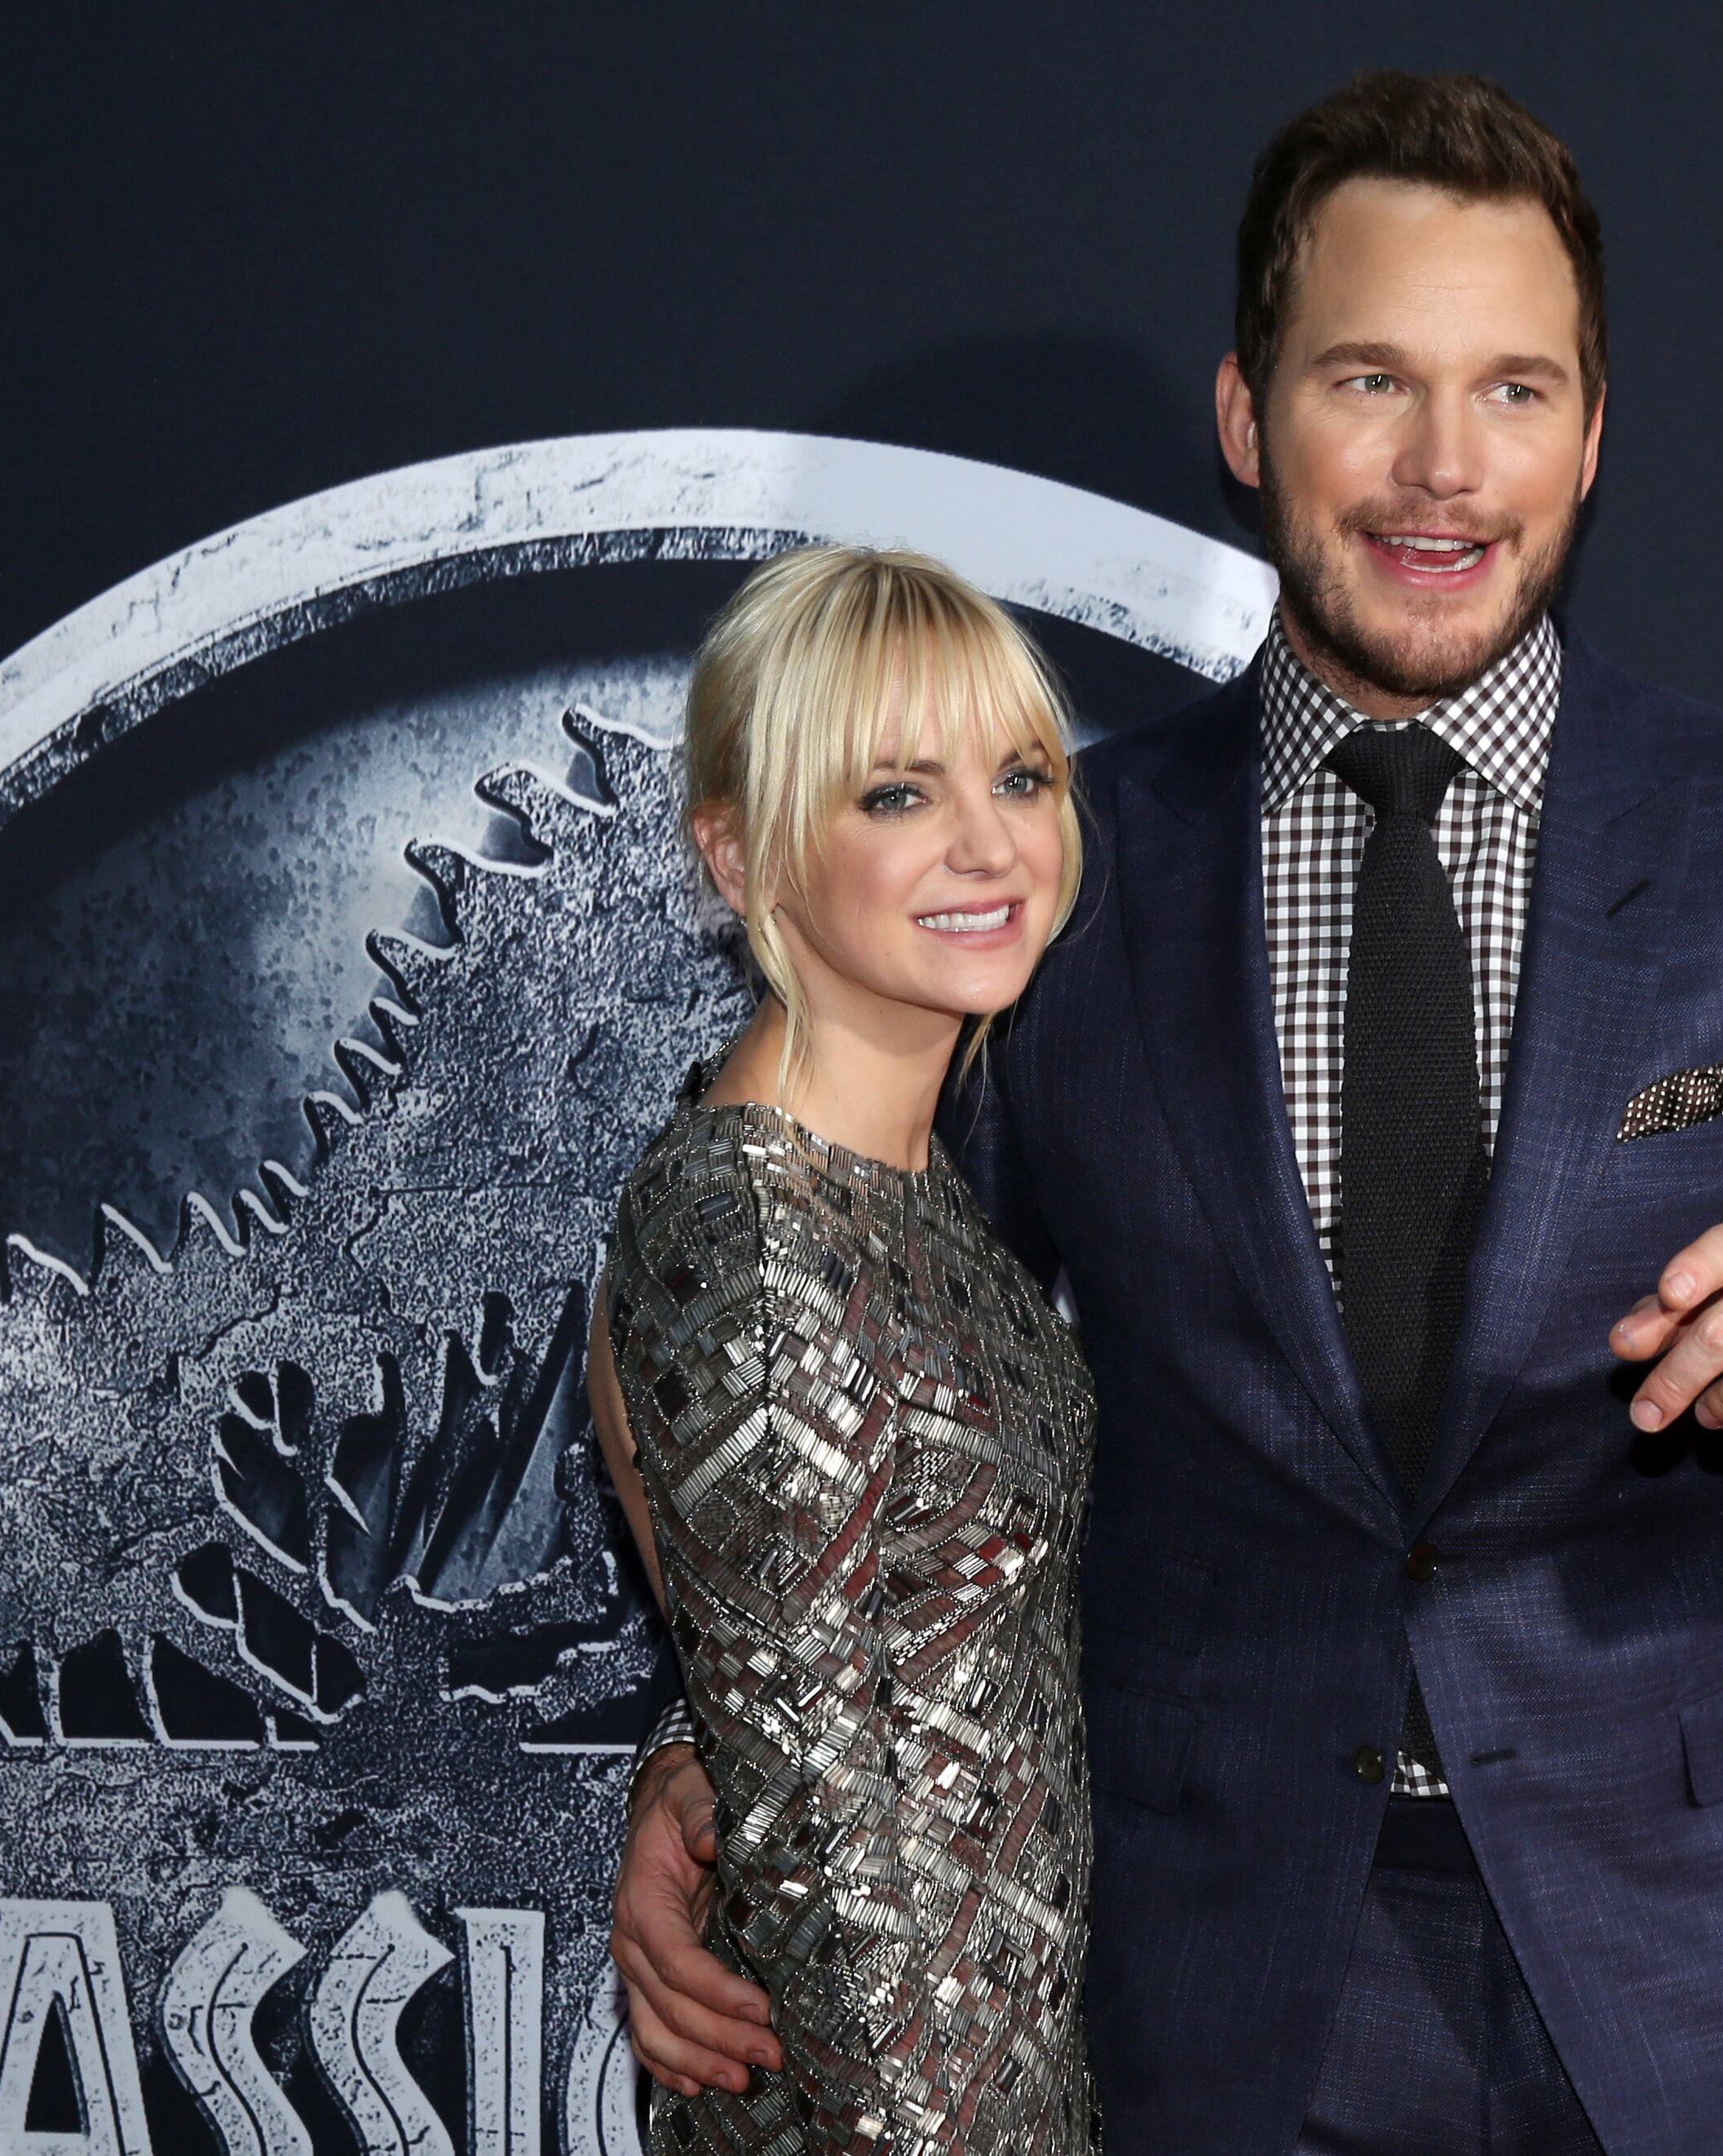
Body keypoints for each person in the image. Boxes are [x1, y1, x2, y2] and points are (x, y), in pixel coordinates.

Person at [613, 72, 1723, 2156]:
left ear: (1595, 433)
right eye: (1373, 378)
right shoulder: (1057, 875)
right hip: (1221, 1970)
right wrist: (714, 1736)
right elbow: (863, 1325)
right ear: (1248, 415)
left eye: (1516, 390)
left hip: (1718, 1980)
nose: (1445, 467)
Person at [587, 546, 1097, 2155]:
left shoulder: (895, 1169)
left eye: (1019, 774)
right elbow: (823, 1825)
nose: (986, 839)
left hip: (994, 2079)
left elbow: (833, 1621)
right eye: (895, 793)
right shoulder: (751, 1217)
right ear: (740, 855)